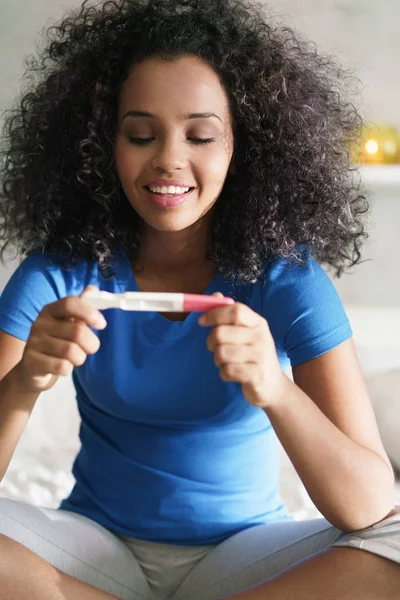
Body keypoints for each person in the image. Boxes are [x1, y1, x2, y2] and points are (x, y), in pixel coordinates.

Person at [0, 0, 399, 598]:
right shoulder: (58, 272)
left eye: (201, 135)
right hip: (90, 550)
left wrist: (276, 389)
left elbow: (370, 505)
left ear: (245, 145)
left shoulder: (286, 278)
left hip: (245, 560)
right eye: (140, 134)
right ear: (102, 144)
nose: (168, 159)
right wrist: (27, 378)